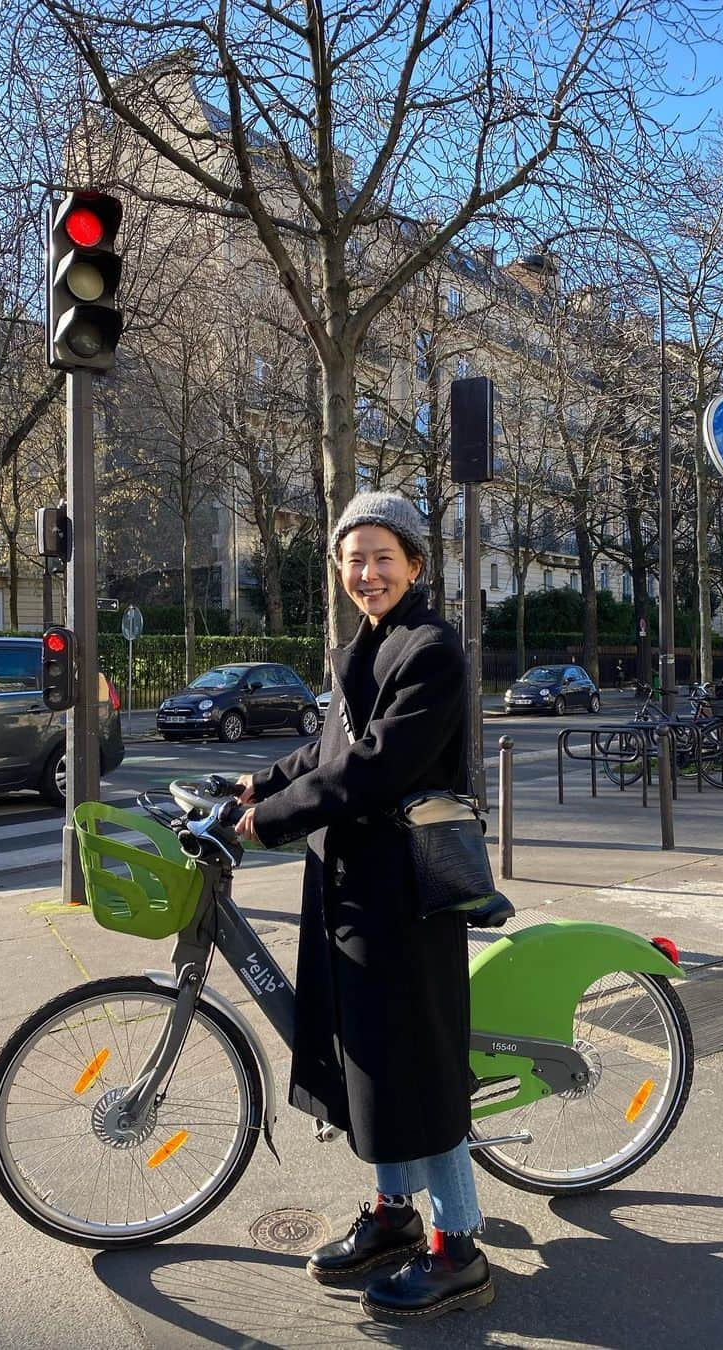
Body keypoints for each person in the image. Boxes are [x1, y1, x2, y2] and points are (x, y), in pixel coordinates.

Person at [234, 490, 493, 1324]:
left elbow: (375, 769)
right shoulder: (368, 644)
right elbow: (330, 747)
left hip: (405, 894)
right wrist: (259, 782)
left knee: (419, 1065)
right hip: (350, 885)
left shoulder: (431, 649)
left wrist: (270, 819)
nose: (367, 572)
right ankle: (392, 1214)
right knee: (371, 1063)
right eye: (354, 558)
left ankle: (458, 1248)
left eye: (383, 556)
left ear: (415, 564)